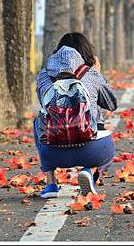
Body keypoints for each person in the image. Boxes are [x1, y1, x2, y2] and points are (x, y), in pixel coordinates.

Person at [35, 32, 118, 198]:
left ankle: (51, 184)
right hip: (94, 151)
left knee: (39, 121)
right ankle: (90, 171)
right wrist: (98, 73)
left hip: (54, 154)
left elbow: (45, 105)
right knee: (102, 132)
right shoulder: (91, 73)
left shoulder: (44, 75)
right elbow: (112, 104)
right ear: (86, 53)